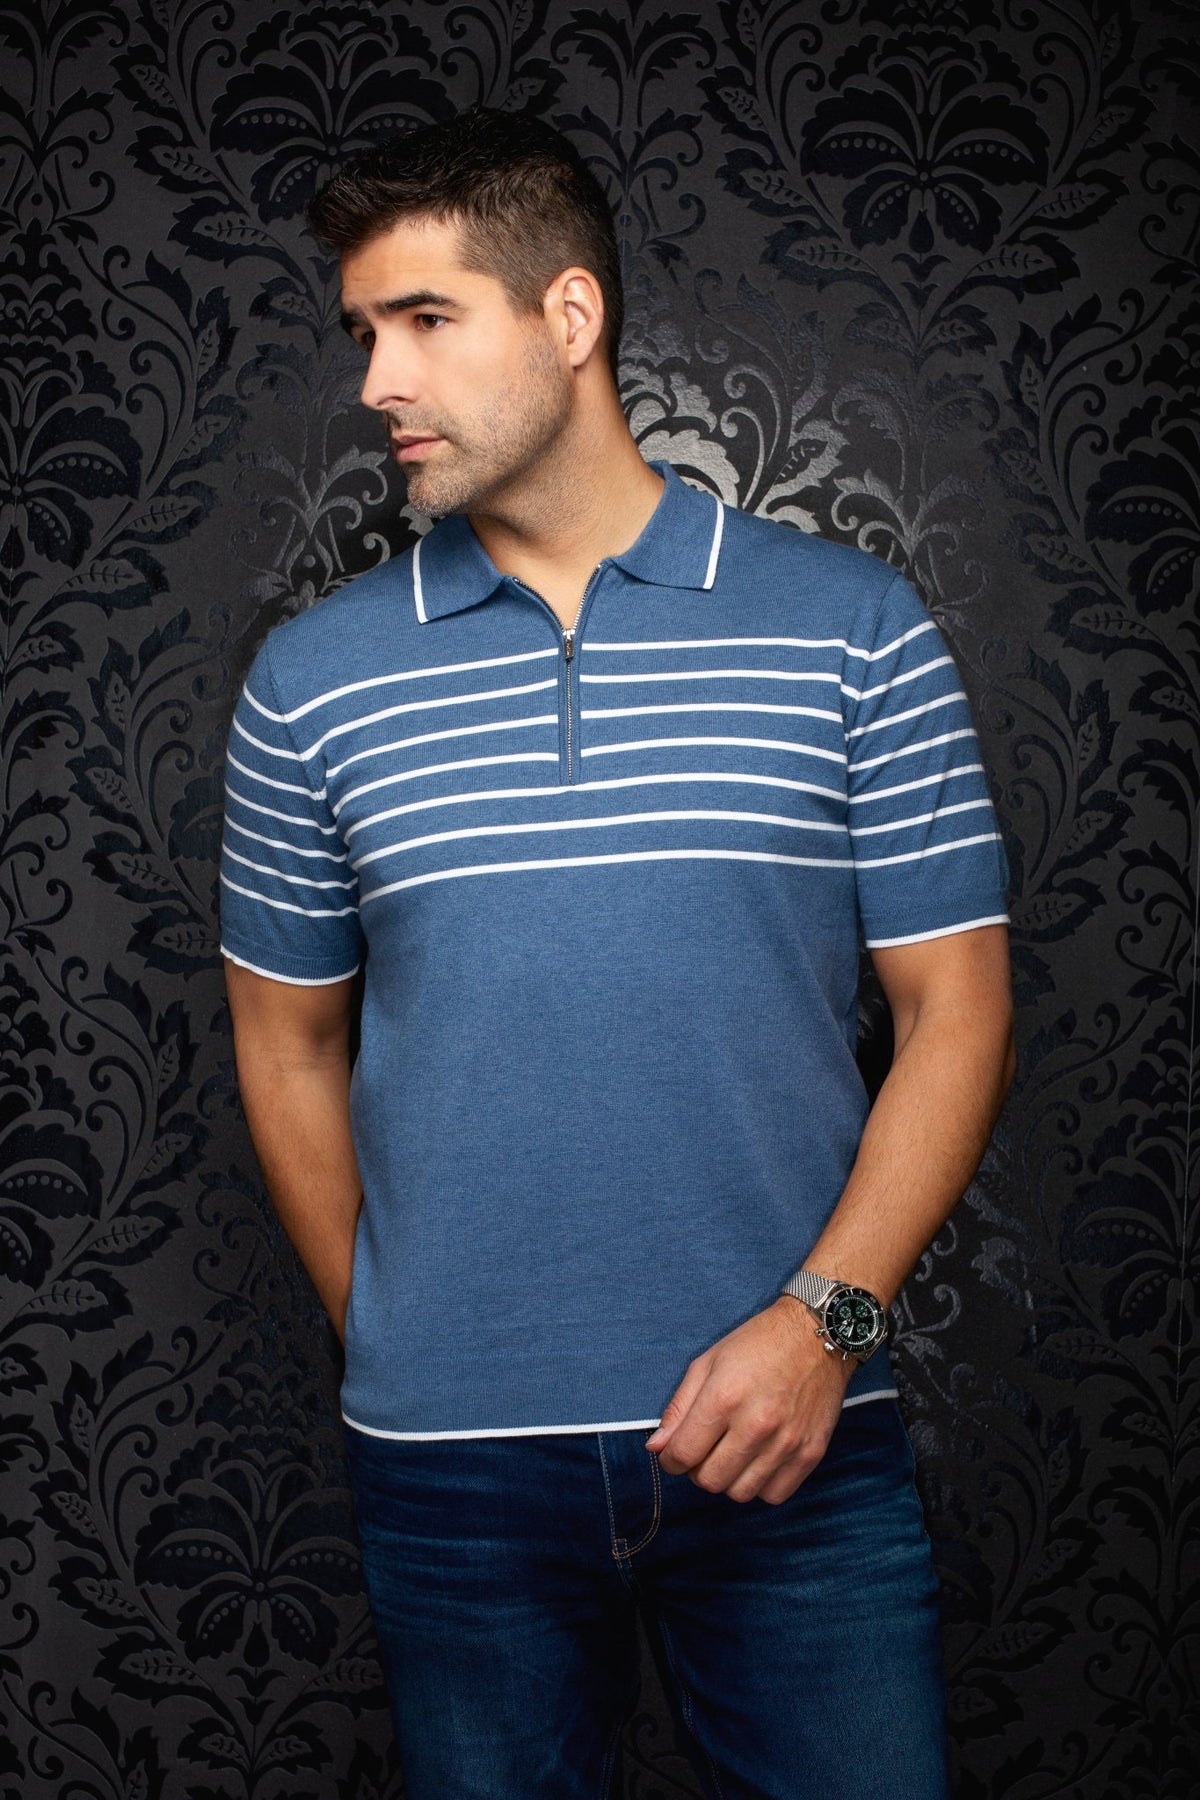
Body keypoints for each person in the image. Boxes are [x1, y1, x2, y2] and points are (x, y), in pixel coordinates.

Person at [218, 104, 1015, 1800]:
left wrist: (826, 1327)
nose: (377, 380)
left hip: (799, 1438)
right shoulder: (309, 682)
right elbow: (284, 1044)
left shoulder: (854, 630)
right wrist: (400, 1332)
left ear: (568, 316)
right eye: (363, 331)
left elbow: (955, 1008)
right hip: (450, 1474)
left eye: (424, 319)